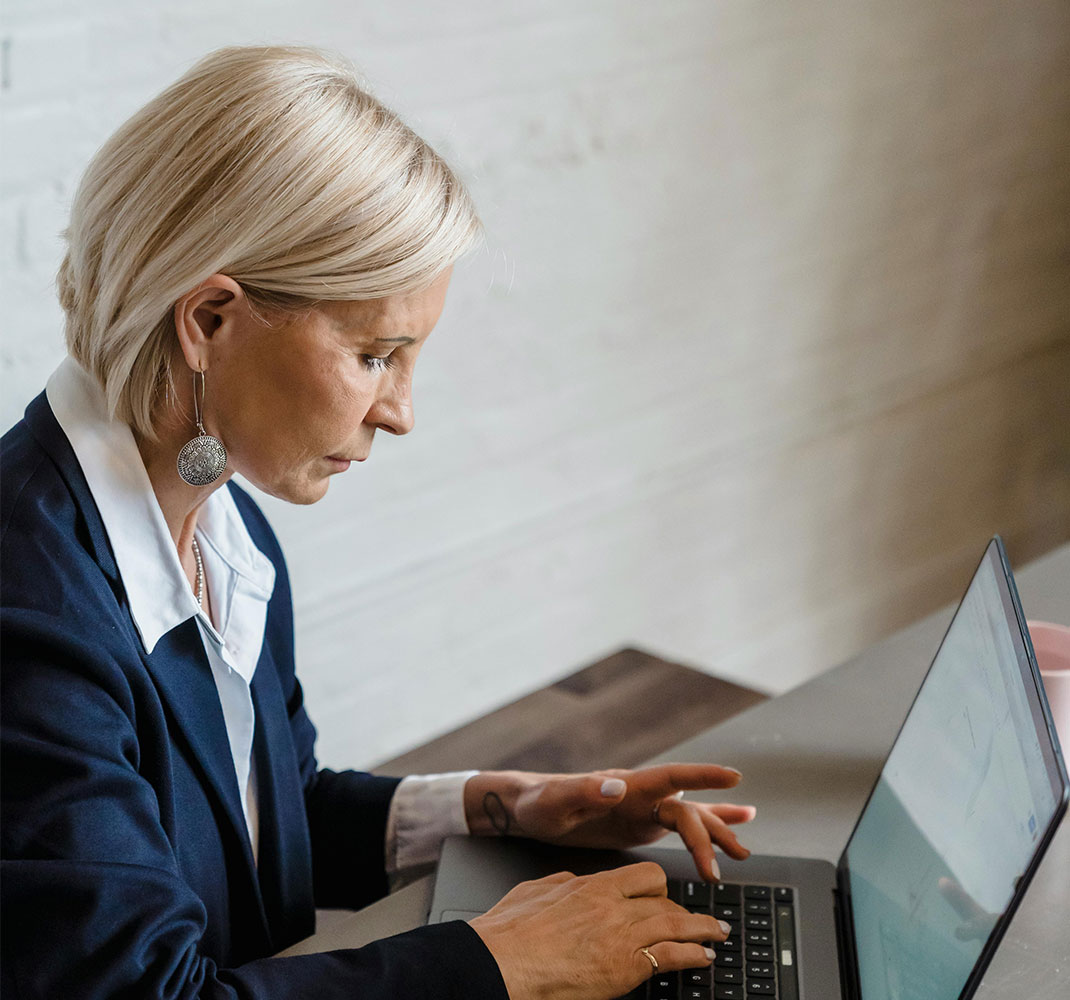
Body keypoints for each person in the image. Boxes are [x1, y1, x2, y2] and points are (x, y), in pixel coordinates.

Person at [0, 46, 756, 999]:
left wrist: (505, 808)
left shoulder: (223, 532)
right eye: (375, 355)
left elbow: (262, 826)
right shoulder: (28, 618)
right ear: (209, 320)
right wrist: (499, 963)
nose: (400, 411)